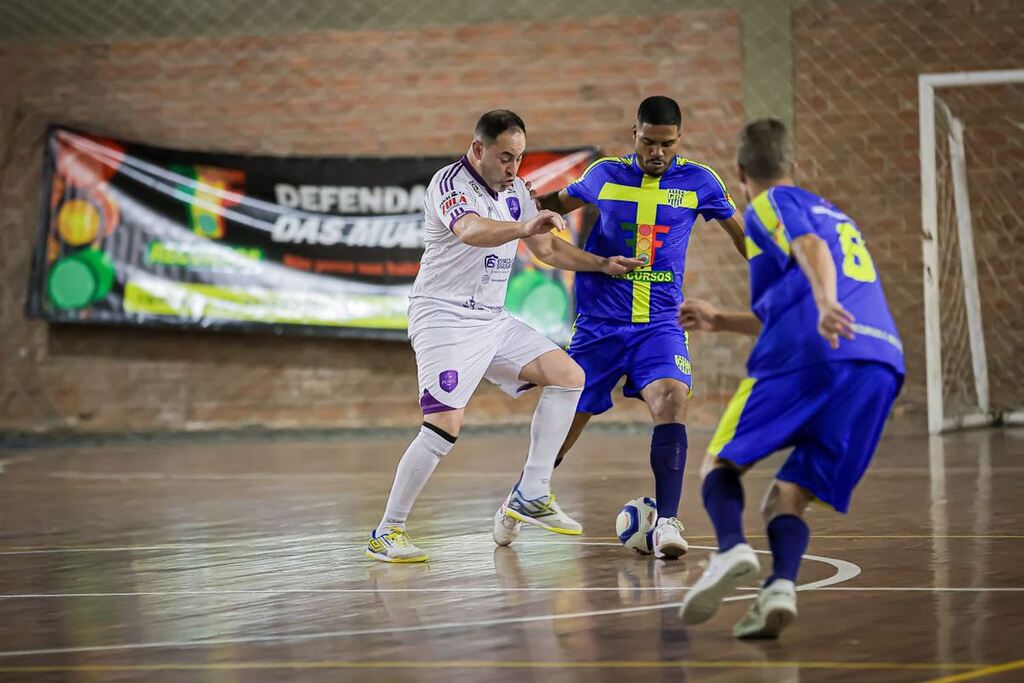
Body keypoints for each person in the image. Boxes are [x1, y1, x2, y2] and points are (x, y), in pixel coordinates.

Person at [367, 110, 643, 563]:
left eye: (519, 158)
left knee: (569, 375)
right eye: (504, 157)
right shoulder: (449, 183)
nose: (513, 168)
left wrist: (602, 263)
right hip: (444, 317)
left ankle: (531, 493)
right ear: (478, 149)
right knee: (444, 425)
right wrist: (521, 227)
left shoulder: (516, 191)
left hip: (492, 319)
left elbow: (547, 247)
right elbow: (471, 230)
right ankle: (387, 530)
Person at [676, 118, 905, 638]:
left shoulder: (773, 204)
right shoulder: (836, 215)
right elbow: (796, 296)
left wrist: (825, 305)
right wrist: (721, 320)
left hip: (817, 352)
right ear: (794, 165)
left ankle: (731, 550)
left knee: (720, 462)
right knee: (789, 495)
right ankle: (780, 586)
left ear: (739, 172)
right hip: (879, 367)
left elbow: (812, 253)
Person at [495, 96, 746, 559]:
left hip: (660, 324)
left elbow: (742, 236)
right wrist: (522, 206)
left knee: (672, 399)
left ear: (679, 140)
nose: (657, 153)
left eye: (667, 144)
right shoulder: (603, 175)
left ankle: (667, 521)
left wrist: (782, 274)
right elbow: (554, 204)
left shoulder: (700, 182)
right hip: (600, 324)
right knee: (568, 426)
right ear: (635, 134)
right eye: (649, 142)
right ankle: (521, 497)